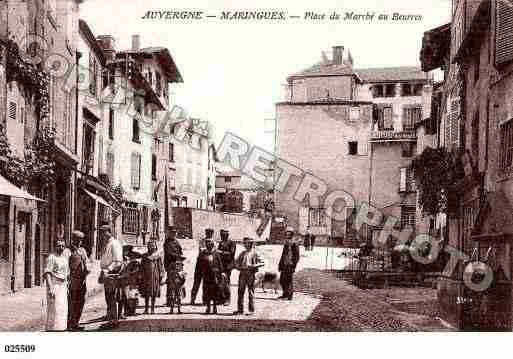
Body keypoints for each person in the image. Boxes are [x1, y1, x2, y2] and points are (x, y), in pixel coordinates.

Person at [99, 224, 123, 327]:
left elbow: (117, 261)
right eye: (101, 233)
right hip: (106, 273)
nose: (102, 235)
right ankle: (111, 318)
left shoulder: (114, 243)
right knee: (108, 297)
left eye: (104, 233)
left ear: (109, 232)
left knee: (111, 297)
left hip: (112, 273)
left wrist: (108, 270)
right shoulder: (107, 243)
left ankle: (113, 321)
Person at [44, 238, 70, 331]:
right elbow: (47, 273)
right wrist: (50, 287)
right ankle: (52, 329)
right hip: (54, 284)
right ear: (55, 246)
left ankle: (61, 328)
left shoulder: (64, 258)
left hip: (62, 285)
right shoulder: (51, 257)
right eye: (59, 245)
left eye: (63, 245)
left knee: (62, 308)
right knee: (54, 308)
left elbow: (66, 273)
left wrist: (67, 286)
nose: (61, 247)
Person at [233, 237, 264, 316]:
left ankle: (251, 310)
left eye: (249, 243)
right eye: (245, 243)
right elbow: (236, 262)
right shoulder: (242, 253)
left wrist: (253, 266)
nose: (247, 245)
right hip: (242, 273)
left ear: (251, 244)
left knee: (250, 292)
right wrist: (238, 267)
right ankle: (240, 310)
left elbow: (262, 262)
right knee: (240, 291)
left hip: (251, 274)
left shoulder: (255, 253)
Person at [67, 231, 89, 331]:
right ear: (73, 239)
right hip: (73, 280)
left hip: (82, 280)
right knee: (72, 302)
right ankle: (70, 323)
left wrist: (87, 270)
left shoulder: (83, 250)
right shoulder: (68, 251)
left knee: (81, 301)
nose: (80, 241)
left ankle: (76, 322)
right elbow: (66, 266)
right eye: (78, 239)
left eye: (81, 240)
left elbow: (87, 262)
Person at [198, 237, 224, 314]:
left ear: (213, 244)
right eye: (207, 243)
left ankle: (215, 307)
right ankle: (208, 307)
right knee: (207, 291)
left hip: (215, 275)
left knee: (215, 291)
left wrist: (221, 273)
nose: (209, 245)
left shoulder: (216, 253)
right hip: (206, 275)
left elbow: (220, 264)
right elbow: (199, 264)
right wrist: (200, 273)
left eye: (210, 243)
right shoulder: (203, 253)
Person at [190, 228, 214, 305]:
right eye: (207, 233)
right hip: (200, 262)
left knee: (206, 283)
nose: (209, 234)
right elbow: (202, 250)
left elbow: (213, 252)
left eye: (210, 233)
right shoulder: (202, 241)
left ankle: (205, 300)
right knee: (196, 281)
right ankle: (192, 299)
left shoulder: (214, 242)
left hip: (208, 264)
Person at [140, 240, 164, 315]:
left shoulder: (157, 256)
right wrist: (141, 274)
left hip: (155, 276)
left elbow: (160, 266)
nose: (152, 247)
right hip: (146, 276)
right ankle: (146, 309)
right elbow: (142, 266)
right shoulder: (144, 256)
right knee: (146, 293)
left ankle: (152, 309)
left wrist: (161, 275)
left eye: (153, 245)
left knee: (153, 293)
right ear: (148, 247)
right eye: (150, 246)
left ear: (155, 246)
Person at [278, 227, 300, 300]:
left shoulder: (294, 243)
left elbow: (297, 256)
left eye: (289, 234)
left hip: (290, 265)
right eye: (286, 234)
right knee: (282, 280)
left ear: (292, 235)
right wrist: (280, 264)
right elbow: (283, 254)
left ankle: (289, 295)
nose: (287, 236)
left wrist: (294, 266)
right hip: (284, 264)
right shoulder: (286, 243)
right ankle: (285, 294)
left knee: (289, 280)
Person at [163, 226, 183, 305]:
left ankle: (177, 298)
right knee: (170, 282)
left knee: (178, 281)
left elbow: (180, 251)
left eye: (175, 233)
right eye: (172, 233)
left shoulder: (177, 242)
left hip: (178, 264)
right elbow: (168, 254)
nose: (174, 234)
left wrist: (180, 257)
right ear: (169, 233)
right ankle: (170, 300)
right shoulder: (167, 242)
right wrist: (177, 256)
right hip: (170, 264)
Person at [217, 229, 236, 305]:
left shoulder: (232, 243)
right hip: (221, 265)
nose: (221, 237)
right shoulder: (221, 243)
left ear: (226, 235)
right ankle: (221, 298)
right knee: (220, 282)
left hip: (228, 265)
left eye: (223, 235)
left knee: (226, 282)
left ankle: (227, 299)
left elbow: (231, 253)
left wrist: (221, 252)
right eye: (221, 235)